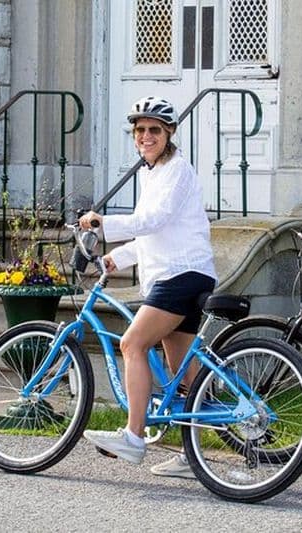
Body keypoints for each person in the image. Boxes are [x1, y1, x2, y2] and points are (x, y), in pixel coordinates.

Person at [80, 96, 216, 479]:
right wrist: (116, 259)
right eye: (139, 130)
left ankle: (133, 436)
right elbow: (155, 233)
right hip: (183, 273)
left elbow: (153, 219)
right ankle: (193, 458)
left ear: (169, 132)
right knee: (186, 377)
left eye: (153, 129)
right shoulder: (152, 172)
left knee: (132, 343)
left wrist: (102, 224)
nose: (145, 136)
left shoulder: (177, 170)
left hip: (180, 276)